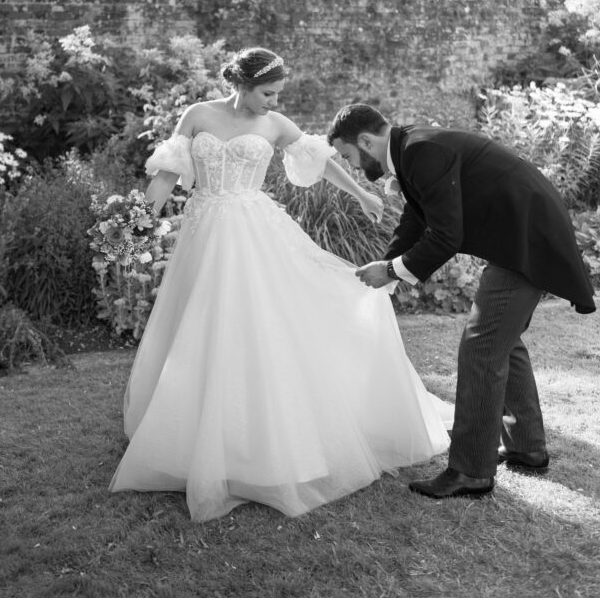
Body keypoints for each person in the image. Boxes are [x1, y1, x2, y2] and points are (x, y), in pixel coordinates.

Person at [109, 48, 452, 521]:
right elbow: (168, 175)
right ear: (242, 85)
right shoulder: (197, 115)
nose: (273, 102)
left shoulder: (274, 124)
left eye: (277, 94)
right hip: (204, 232)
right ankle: (189, 436)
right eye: (267, 93)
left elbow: (319, 157)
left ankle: (264, 441)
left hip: (256, 231)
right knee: (200, 326)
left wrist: (362, 192)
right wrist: (136, 226)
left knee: (262, 326)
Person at [327, 103, 596, 500]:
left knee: (482, 347)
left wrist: (392, 271)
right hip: (519, 236)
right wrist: (387, 265)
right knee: (501, 342)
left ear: (365, 141)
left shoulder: (420, 150)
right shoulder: (411, 148)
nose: (351, 165)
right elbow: (418, 219)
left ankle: (470, 470)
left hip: (526, 240)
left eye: (348, 155)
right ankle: (527, 447)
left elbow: (445, 235)